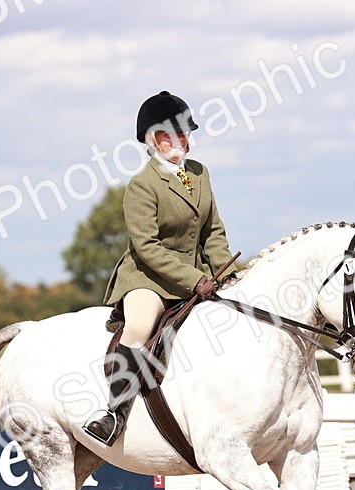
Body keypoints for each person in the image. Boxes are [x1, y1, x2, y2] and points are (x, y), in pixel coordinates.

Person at [83, 91, 240, 446]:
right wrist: (194, 277)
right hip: (148, 278)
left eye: (183, 133)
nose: (179, 141)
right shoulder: (142, 186)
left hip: (199, 276)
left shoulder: (200, 173)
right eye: (169, 135)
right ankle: (114, 414)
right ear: (152, 140)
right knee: (138, 327)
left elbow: (213, 231)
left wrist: (225, 272)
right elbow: (147, 248)